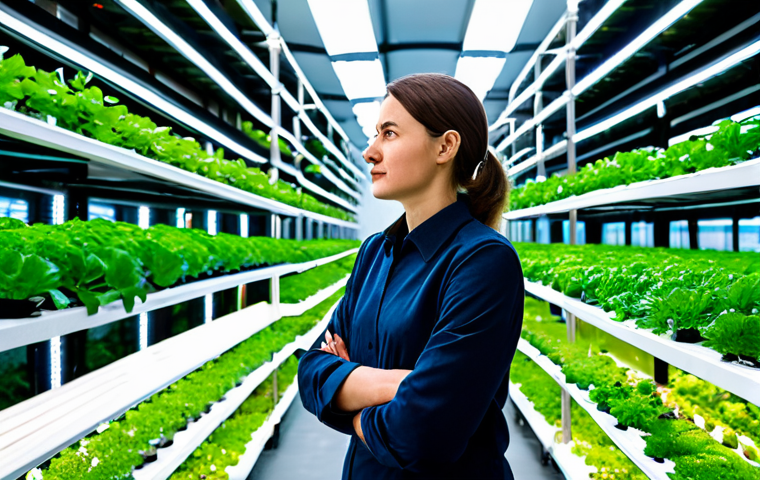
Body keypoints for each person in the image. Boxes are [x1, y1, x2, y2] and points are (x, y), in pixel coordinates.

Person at [297, 73, 524, 480]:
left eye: (389, 133)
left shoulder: (484, 261)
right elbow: (311, 372)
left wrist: (347, 397)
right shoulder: (374, 252)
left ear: (445, 146)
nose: (369, 152)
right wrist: (400, 384)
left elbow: (423, 434)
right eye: (374, 135)